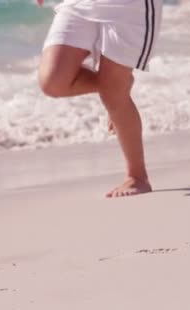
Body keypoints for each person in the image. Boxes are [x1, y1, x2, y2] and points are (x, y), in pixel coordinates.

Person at [37, 0, 162, 197]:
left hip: (129, 7)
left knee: (113, 94)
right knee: (53, 81)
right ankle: (115, 87)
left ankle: (138, 176)